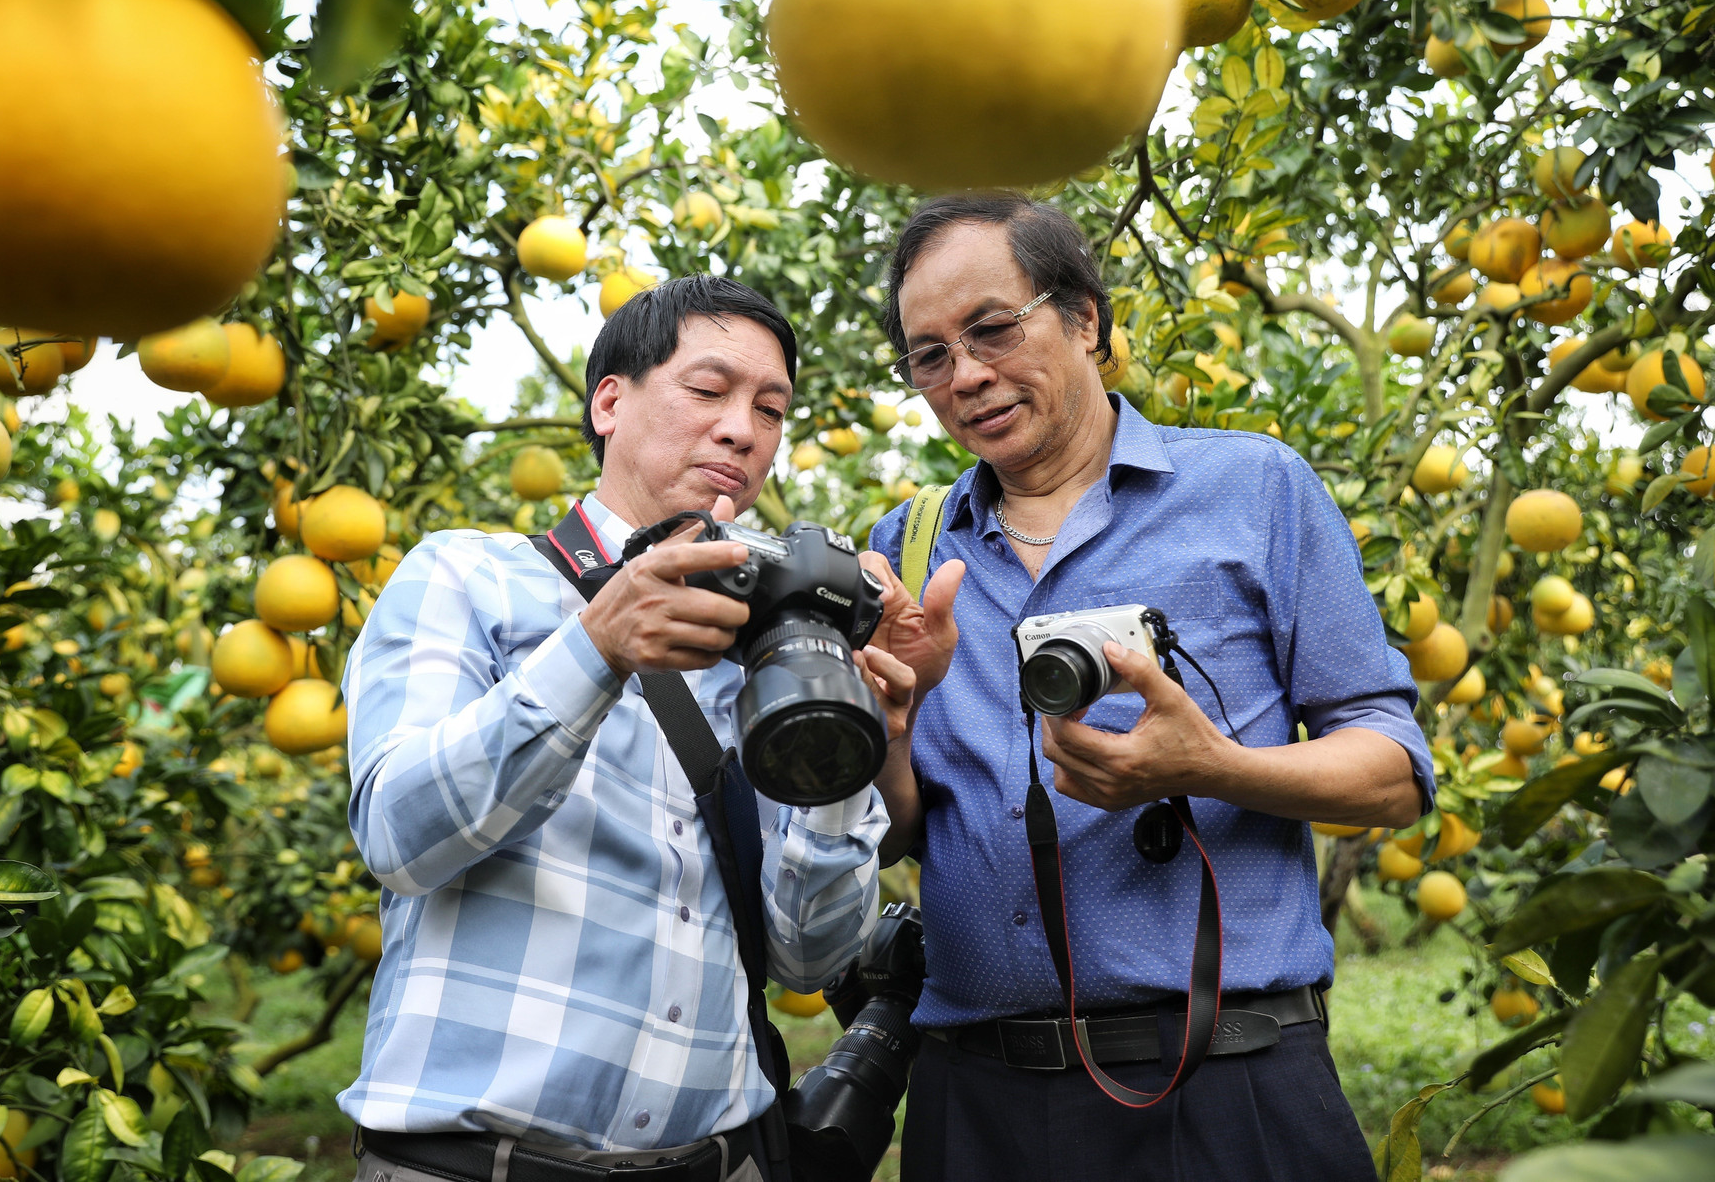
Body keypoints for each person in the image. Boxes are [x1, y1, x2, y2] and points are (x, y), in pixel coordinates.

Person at [862, 192, 1433, 1182]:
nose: (966, 376)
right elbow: (902, 832)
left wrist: (1210, 766)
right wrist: (891, 730)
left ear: (1084, 317)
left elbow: (1393, 772)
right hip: (975, 1103)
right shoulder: (905, 549)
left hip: (1223, 1085)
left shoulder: (1253, 491)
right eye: (929, 355)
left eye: (991, 328)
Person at [338, 275, 927, 1182]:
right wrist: (596, 651)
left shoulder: (771, 657)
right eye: (709, 390)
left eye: (771, 410)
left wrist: (843, 750)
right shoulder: (469, 580)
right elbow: (398, 838)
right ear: (609, 401)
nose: (743, 429)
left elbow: (809, 956)